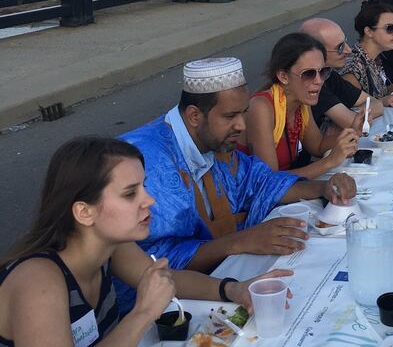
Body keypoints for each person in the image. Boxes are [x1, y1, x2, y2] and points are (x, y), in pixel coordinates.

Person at [0, 137, 294, 345]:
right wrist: (143, 313)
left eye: (144, 187)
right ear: (84, 212)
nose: (150, 200)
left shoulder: (110, 247)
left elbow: (168, 281)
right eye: (130, 194)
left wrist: (233, 289)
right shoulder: (38, 281)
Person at [119, 57, 357, 308]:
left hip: (224, 284)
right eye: (230, 116)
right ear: (194, 116)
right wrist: (241, 241)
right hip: (160, 308)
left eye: (243, 113)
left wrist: (324, 187)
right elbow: (152, 263)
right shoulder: (142, 163)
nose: (241, 125)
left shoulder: (213, 139)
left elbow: (260, 181)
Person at [240, 33, 360, 178]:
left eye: (323, 72)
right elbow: (268, 181)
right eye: (309, 74)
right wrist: (328, 162)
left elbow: (317, 145)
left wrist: (349, 134)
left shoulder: (300, 100)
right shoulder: (261, 107)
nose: (319, 81)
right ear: (283, 76)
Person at [298, 18, 393, 132]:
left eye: (345, 42)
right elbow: (353, 122)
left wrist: (351, 115)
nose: (349, 50)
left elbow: (376, 104)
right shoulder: (314, 82)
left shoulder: (329, 75)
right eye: (340, 47)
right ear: (315, 52)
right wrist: (352, 117)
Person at [340, 0, 393, 98]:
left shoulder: (374, 58)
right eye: (390, 28)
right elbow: (353, 110)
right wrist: (383, 102)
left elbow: (380, 96)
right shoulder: (353, 70)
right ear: (369, 31)